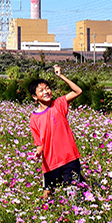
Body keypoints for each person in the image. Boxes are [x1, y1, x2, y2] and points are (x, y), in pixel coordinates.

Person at [29, 64, 85, 199]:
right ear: (35, 97)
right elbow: (39, 143)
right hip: (50, 163)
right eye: (41, 90)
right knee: (48, 194)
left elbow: (78, 91)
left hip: (69, 158)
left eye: (47, 88)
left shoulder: (59, 104)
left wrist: (61, 76)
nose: (46, 92)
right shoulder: (34, 118)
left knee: (73, 195)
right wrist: (38, 152)